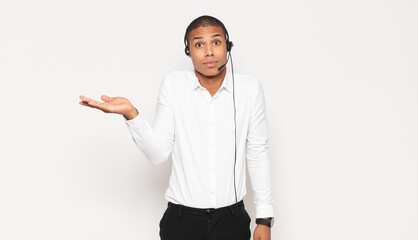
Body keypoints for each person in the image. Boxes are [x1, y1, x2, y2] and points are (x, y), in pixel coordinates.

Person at [79, 15, 274, 240]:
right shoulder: (173, 84)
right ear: (188, 51)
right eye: (199, 44)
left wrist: (264, 219)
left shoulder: (249, 89)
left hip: (232, 221)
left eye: (216, 42)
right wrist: (131, 115)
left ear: (228, 46)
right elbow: (158, 153)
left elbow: (258, 153)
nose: (209, 51)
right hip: (182, 223)